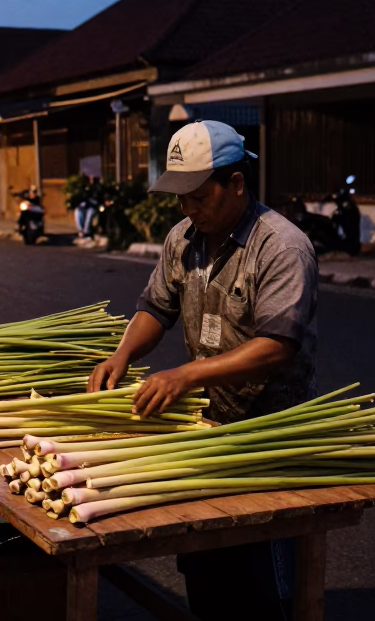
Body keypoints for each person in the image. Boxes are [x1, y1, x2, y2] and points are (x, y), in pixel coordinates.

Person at [87, 120, 318, 621]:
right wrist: (123, 354)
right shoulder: (183, 238)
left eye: (198, 195)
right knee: (206, 564)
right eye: (180, 196)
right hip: (207, 428)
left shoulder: (281, 246)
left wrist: (187, 375)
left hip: (269, 432)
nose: (187, 208)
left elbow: (277, 346)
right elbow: (156, 309)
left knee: (267, 575)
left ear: (236, 184)